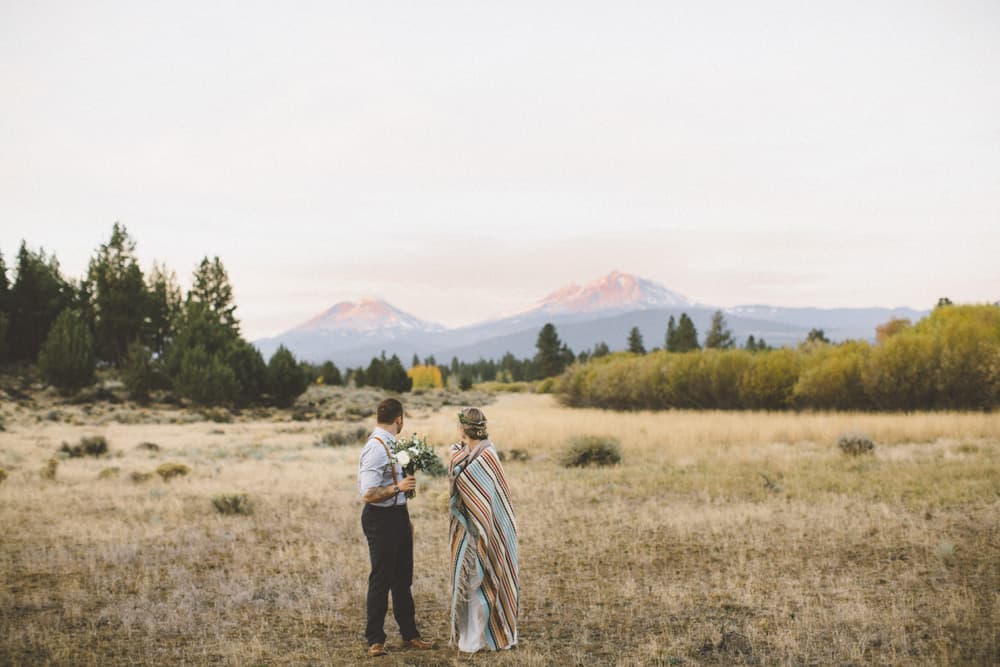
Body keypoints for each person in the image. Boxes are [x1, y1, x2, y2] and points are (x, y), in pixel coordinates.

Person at [357, 398, 434, 657]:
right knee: (381, 578)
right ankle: (375, 640)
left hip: (398, 515)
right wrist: (397, 489)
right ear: (399, 419)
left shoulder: (395, 444)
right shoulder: (376, 448)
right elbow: (367, 493)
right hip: (379, 519)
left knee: (403, 578)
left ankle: (410, 635)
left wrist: (405, 515)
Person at [448, 407, 519, 653]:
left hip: (488, 529)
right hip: (468, 531)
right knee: (469, 581)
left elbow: (483, 493)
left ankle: (485, 637)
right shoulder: (462, 452)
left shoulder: (488, 456)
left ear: (462, 428)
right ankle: (471, 635)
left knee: (485, 579)